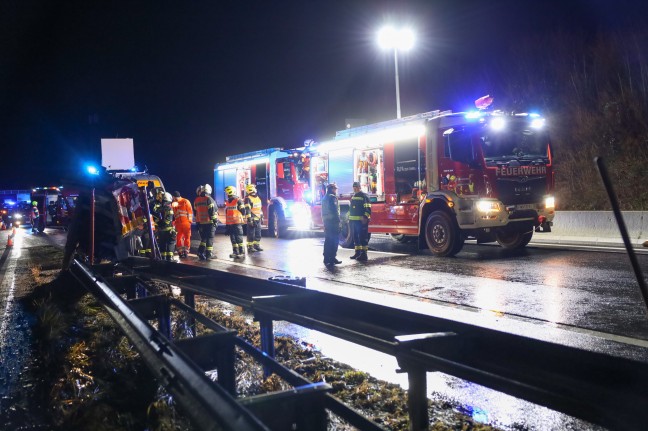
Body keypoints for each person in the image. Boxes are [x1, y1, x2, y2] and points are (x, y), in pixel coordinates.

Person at [193, 184, 218, 260]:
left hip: (201, 222)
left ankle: (200, 252)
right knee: (210, 238)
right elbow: (212, 211)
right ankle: (208, 254)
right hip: (209, 222)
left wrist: (198, 222)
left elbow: (195, 212)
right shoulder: (209, 199)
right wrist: (215, 221)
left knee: (204, 238)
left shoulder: (196, 200)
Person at [349, 181, 371, 261]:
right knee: (355, 237)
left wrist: (365, 217)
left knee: (363, 237)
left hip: (361, 221)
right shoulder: (354, 196)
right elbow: (351, 208)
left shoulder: (364, 196)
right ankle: (357, 252)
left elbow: (368, 208)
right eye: (354, 187)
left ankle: (364, 254)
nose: (355, 188)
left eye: (356, 187)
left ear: (359, 187)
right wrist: (348, 216)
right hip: (354, 221)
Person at [152, 190, 176, 261]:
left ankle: (163, 259)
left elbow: (155, 218)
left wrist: (159, 224)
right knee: (170, 243)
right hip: (168, 230)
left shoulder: (158, 209)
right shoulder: (169, 208)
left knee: (162, 244)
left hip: (161, 230)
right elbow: (169, 219)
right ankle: (170, 258)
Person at [321, 183, 342, 267]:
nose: (335, 191)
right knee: (334, 240)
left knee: (328, 240)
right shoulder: (332, 198)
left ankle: (326, 258)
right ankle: (332, 258)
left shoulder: (324, 198)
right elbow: (334, 211)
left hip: (326, 222)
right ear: (331, 189)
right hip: (333, 222)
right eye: (335, 189)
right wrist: (339, 221)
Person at [224, 185, 247, 258]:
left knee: (238, 238)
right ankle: (235, 251)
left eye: (227, 193)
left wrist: (242, 220)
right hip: (230, 223)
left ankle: (242, 252)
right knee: (233, 238)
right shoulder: (228, 202)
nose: (227, 195)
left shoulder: (238, 200)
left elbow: (243, 211)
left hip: (237, 223)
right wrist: (227, 225)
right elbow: (227, 213)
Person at [172, 191, 193, 258]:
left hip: (184, 223)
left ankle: (186, 251)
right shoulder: (176, 203)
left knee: (186, 237)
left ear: (174, 197)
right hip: (179, 223)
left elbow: (190, 212)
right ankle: (181, 252)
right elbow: (173, 214)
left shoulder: (185, 201)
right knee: (179, 238)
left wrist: (189, 221)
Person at [244, 184, 263, 252]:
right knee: (251, 233)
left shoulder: (257, 197)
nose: (256, 189)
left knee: (258, 233)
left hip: (258, 217)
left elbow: (259, 208)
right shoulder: (248, 198)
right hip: (252, 218)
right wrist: (249, 219)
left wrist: (262, 216)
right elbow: (247, 209)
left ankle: (256, 245)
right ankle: (250, 247)